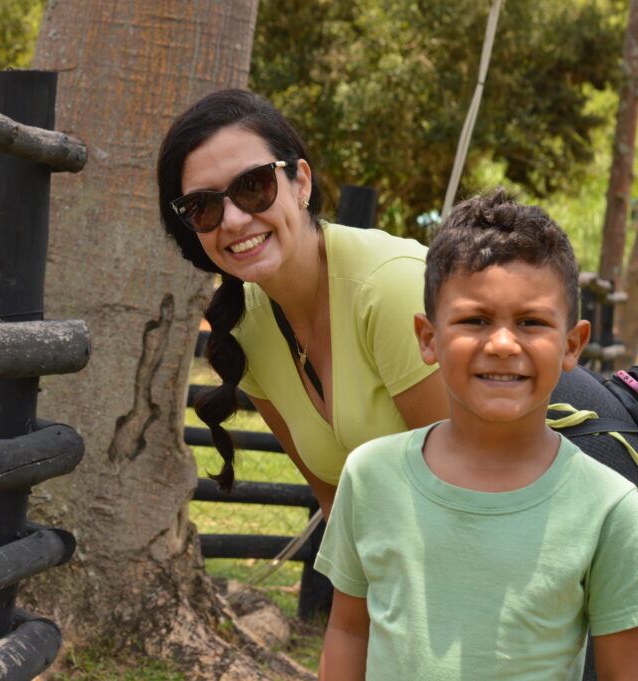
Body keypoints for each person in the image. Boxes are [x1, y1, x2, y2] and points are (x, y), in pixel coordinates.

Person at [314, 190, 638, 680]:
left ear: (572, 346)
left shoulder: (610, 507)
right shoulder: (369, 475)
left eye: (531, 322)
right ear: (429, 339)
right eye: (474, 320)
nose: (503, 344)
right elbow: (348, 632)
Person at [157, 89, 447, 516]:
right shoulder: (245, 324)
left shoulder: (390, 287)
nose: (234, 219)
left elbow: (466, 493)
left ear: (302, 183)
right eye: (202, 206)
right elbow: (338, 506)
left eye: (253, 186)